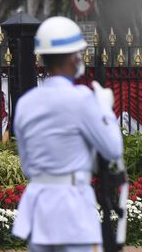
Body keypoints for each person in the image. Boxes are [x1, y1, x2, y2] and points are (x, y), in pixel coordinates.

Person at [12, 16, 123, 252]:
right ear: (75, 57)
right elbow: (113, 148)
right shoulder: (82, 99)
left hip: (39, 210)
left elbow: (26, 164)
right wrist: (104, 108)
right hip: (73, 213)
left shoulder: (26, 103)